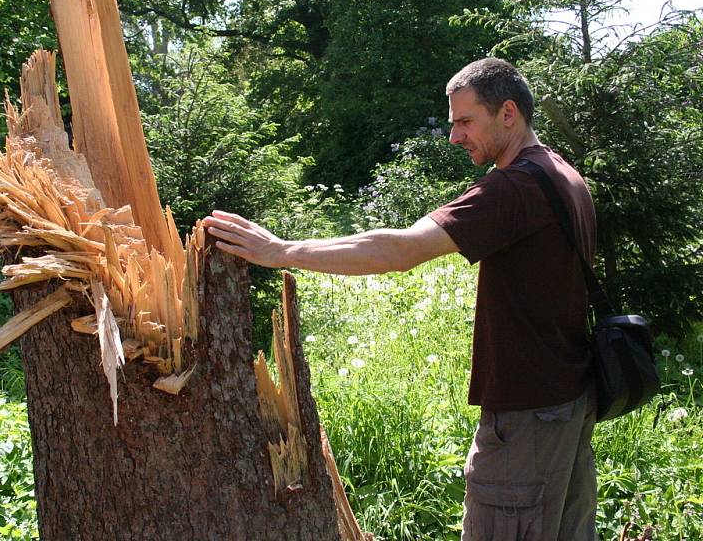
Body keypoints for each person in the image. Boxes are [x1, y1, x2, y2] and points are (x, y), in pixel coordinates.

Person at [202, 57, 597, 540]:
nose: (455, 136)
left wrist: (279, 251)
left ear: (508, 113)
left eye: (465, 121)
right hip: (565, 405)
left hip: (527, 420)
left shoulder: (515, 188)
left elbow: (400, 249)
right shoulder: (562, 174)